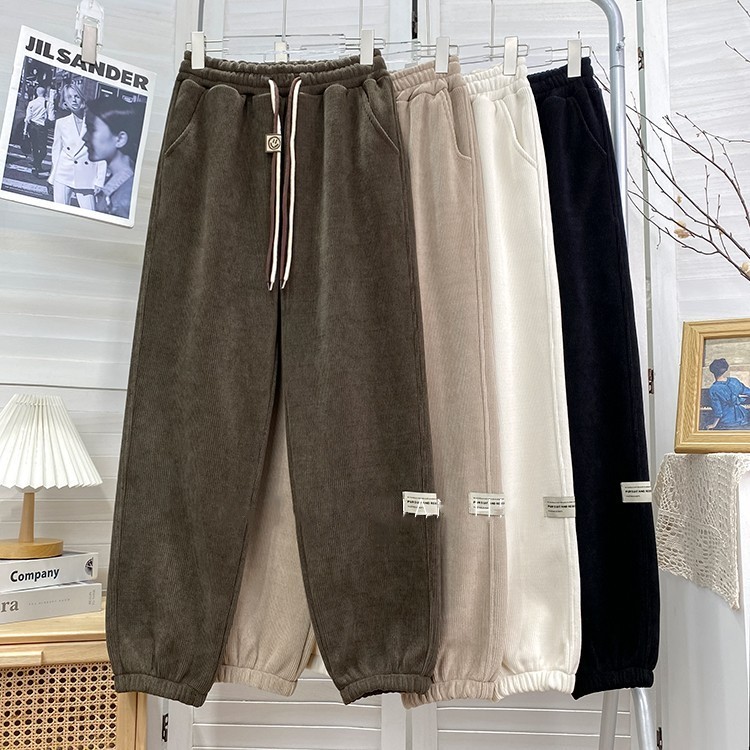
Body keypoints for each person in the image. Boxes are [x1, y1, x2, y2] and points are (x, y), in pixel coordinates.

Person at [47, 82, 105, 210]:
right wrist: (52, 176)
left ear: (82, 99)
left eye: (76, 96)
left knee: (89, 215)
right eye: (69, 97)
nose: (73, 100)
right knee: (60, 213)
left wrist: (99, 181)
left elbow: (102, 153)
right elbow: (56, 152)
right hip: (63, 174)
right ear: (65, 102)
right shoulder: (61, 123)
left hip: (86, 176)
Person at [83, 97, 141, 219]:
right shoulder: (122, 180)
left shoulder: (123, 202)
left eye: (92, 129)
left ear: (120, 139)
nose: (84, 137)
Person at [706, 358, 750, 429]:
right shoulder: (734, 381)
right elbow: (748, 392)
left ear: (712, 371)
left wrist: (713, 425)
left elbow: (718, 411)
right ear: (725, 370)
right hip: (743, 417)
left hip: (727, 422)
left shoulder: (713, 389)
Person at [23, 86, 51, 175]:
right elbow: (51, 118)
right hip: (41, 128)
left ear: (36, 93)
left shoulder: (31, 103)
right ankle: (37, 164)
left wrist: (25, 130)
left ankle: (36, 164)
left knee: (35, 146)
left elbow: (27, 118)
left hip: (32, 126)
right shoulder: (48, 103)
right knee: (43, 149)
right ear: (45, 93)